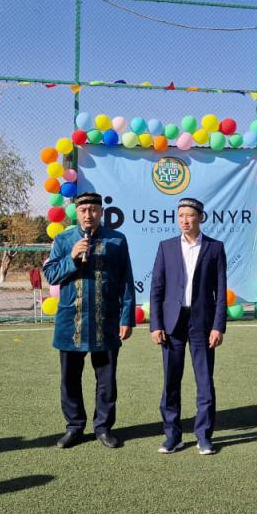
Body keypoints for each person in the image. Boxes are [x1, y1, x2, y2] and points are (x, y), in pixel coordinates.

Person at [43, 192, 136, 450]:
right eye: (83, 210)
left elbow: (126, 281)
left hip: (105, 322)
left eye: (93, 210)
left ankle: (103, 428)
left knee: (106, 381)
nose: (88, 214)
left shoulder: (117, 240)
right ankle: (74, 427)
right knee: (69, 380)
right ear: (77, 213)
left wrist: (126, 317)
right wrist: (72, 257)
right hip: (70, 323)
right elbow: (51, 275)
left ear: (101, 212)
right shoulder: (63, 240)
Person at [149, 197, 227, 455]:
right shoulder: (166, 247)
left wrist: (218, 326)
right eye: (181, 215)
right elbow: (156, 288)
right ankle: (172, 436)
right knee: (171, 381)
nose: (185, 220)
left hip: (202, 323)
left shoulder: (215, 248)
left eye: (190, 215)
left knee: (204, 381)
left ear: (200, 217)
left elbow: (221, 291)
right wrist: (156, 325)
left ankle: (204, 436)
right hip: (172, 323)